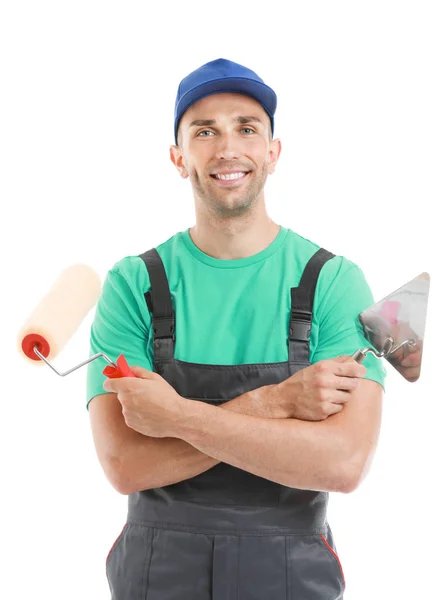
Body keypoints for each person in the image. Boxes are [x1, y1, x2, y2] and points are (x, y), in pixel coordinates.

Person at [86, 58, 386, 600]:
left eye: (247, 128)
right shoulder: (132, 285)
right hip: (157, 574)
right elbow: (126, 465)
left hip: (291, 574)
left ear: (273, 152)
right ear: (178, 158)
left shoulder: (336, 282)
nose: (228, 148)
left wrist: (174, 417)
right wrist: (277, 403)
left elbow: (343, 464)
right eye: (205, 131)